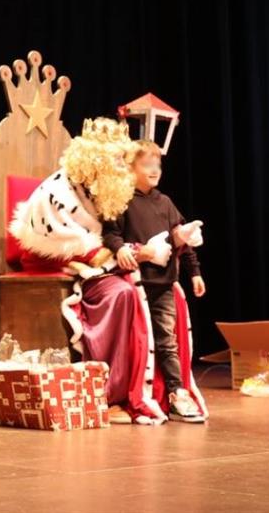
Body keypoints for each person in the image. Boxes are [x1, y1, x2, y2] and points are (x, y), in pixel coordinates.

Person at [8, 117, 208, 425]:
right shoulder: (58, 191)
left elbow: (118, 232)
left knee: (169, 295)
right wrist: (132, 254)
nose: (120, 168)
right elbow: (65, 241)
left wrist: (169, 253)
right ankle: (109, 391)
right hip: (61, 262)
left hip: (106, 264)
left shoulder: (120, 191)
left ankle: (163, 389)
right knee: (124, 295)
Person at [103, 139, 207, 423]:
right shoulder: (122, 201)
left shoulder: (166, 203)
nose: (154, 169)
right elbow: (111, 233)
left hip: (162, 284)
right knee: (136, 341)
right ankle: (129, 393)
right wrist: (121, 248)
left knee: (166, 341)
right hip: (135, 284)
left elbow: (180, 240)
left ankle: (176, 394)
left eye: (158, 163)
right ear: (131, 167)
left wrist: (195, 272)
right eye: (147, 163)